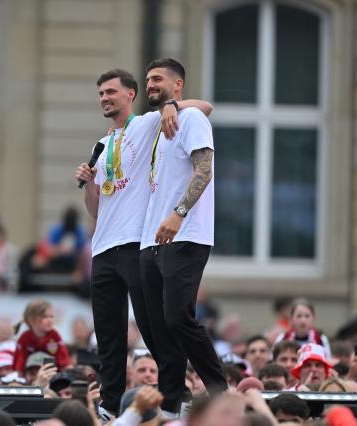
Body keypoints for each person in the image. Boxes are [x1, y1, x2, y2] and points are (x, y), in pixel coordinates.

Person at [74, 68, 212, 416]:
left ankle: (174, 395)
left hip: (137, 241)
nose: (105, 98)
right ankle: (108, 404)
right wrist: (89, 182)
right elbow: (95, 209)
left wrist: (172, 107)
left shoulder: (147, 123)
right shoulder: (102, 145)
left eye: (111, 92)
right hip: (103, 247)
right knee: (108, 333)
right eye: (101, 94)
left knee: (154, 328)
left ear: (130, 94)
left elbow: (205, 106)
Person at [138, 58, 227, 415]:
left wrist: (179, 213)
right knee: (156, 331)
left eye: (157, 79)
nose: (150, 85)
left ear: (178, 85)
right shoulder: (159, 124)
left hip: (185, 233)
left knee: (178, 317)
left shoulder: (191, 118)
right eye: (147, 80)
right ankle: (171, 406)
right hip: (150, 240)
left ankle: (221, 392)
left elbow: (203, 171)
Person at [12, 299, 71, 373]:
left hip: (53, 376)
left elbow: (65, 363)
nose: (50, 320)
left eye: (51, 317)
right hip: (30, 379)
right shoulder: (24, 338)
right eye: (45, 317)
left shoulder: (54, 336)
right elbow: (19, 368)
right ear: (31, 320)